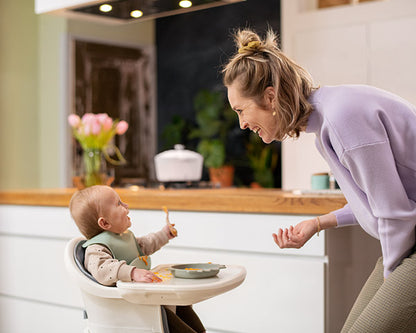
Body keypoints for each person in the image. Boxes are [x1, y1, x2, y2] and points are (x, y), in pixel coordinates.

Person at [222, 28, 416, 332]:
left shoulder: (342, 119)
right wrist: (318, 222)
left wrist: (391, 285)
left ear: (270, 97)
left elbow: (395, 214)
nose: (242, 123)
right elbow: (381, 201)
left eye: (241, 110)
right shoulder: (329, 122)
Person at [69, 185, 205, 333]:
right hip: (126, 307)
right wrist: (132, 273)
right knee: (164, 314)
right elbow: (103, 270)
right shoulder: (96, 249)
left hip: (142, 297)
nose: (126, 205)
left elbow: (145, 244)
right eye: (119, 204)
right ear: (105, 223)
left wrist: (164, 234)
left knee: (179, 300)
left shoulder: (125, 238)